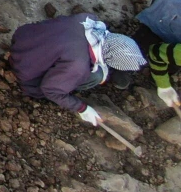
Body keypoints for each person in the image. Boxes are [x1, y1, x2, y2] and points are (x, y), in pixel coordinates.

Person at [9, 12, 145, 126]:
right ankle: (65, 87)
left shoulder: (89, 20)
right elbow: (50, 90)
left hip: (24, 39)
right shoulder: (78, 66)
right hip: (25, 70)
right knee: (97, 76)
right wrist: (82, 108)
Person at [135, 0, 181, 107]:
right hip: (171, 5)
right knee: (143, 42)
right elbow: (156, 53)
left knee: (172, 62)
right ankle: (121, 62)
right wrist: (164, 86)